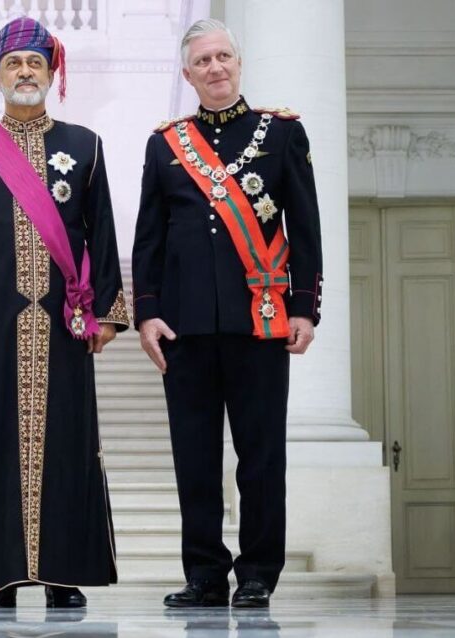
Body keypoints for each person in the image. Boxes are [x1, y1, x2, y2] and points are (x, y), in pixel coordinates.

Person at [0, 16, 129, 610]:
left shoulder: (84, 146)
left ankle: (64, 573)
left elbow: (104, 234)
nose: (24, 72)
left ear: (51, 71)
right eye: (13, 64)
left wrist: (110, 311)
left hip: (65, 326)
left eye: (34, 63)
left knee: (68, 442)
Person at [131, 18, 323, 609]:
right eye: (203, 62)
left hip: (259, 323)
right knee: (194, 456)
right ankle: (205, 574)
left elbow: (306, 228)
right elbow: (149, 239)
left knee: (261, 455)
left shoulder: (282, 135)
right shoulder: (166, 144)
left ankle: (259, 571)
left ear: (237, 64)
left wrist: (304, 309)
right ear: (188, 75)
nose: (215, 68)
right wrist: (147, 314)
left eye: (223, 58)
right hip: (186, 327)